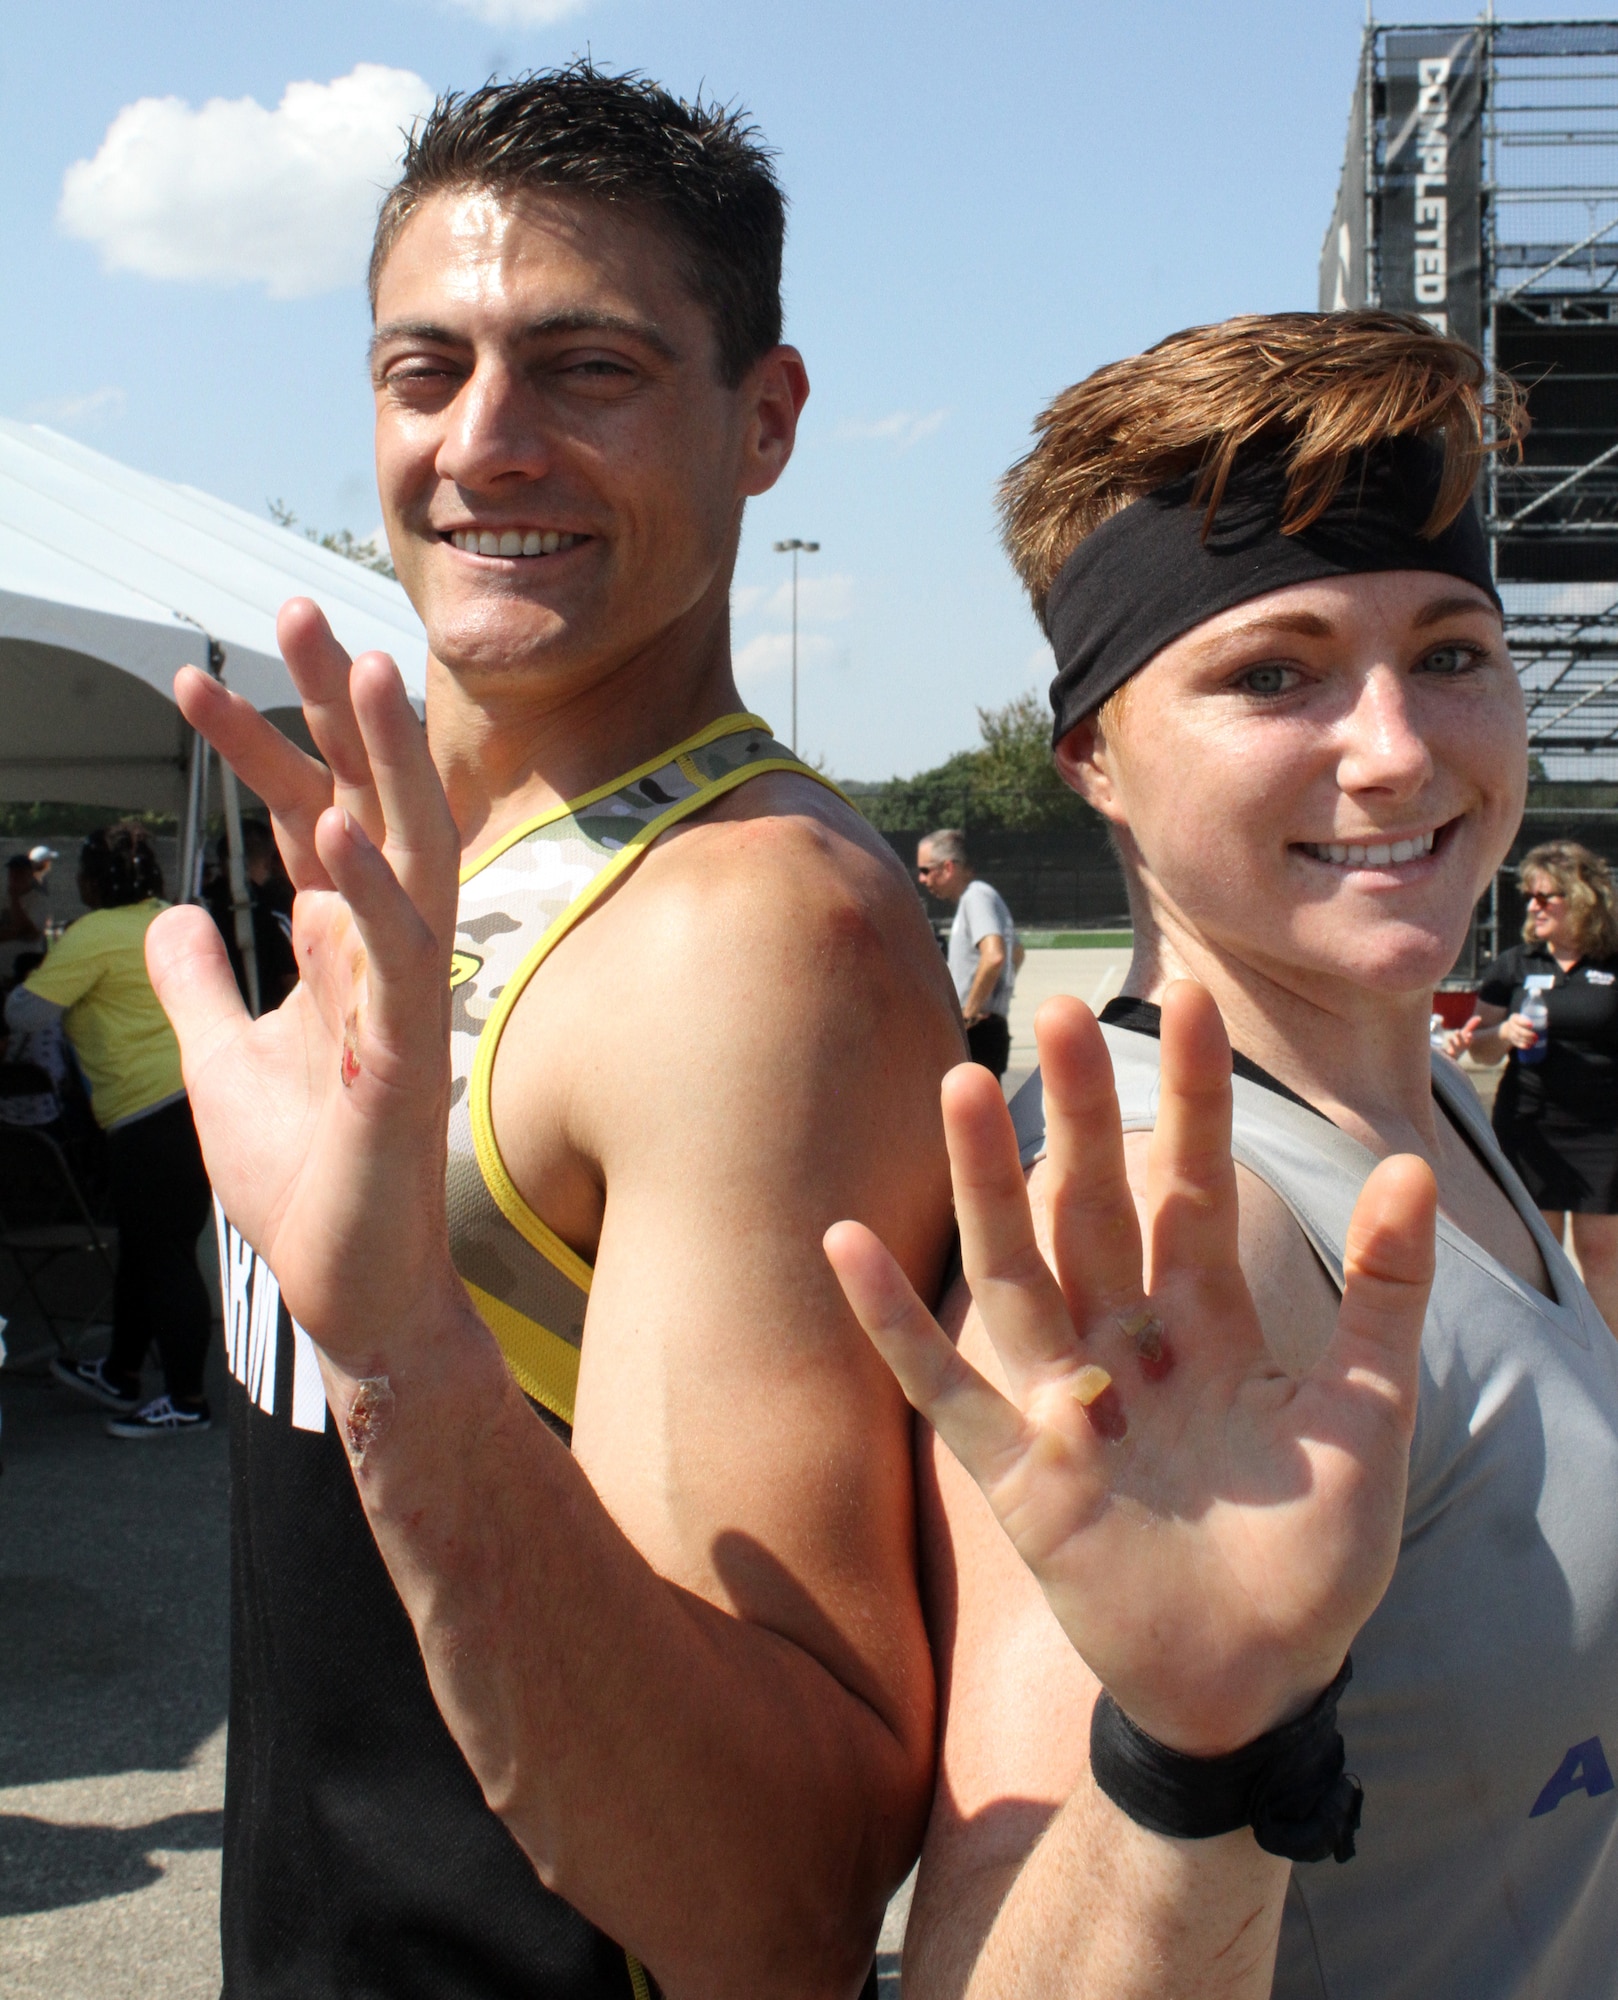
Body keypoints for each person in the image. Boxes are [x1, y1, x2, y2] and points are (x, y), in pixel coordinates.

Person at [146, 66, 959, 2000]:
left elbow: (776, 1903)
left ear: (761, 424)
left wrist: (408, 1350)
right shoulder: (404, 850)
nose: (482, 444)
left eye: (584, 368)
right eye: (425, 372)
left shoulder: (750, 936)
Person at [825, 311, 1618, 1998]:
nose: (1396, 747)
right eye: (1273, 671)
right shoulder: (1197, 1241)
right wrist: (1194, 1757)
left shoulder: (1418, 1102)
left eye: (1450, 651)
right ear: (1093, 758)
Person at [5, 826, 213, 1435]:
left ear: (91, 882)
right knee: (148, 1249)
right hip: (193, 1101)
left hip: (145, 1112)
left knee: (165, 1257)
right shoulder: (171, 918)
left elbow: (24, 1011)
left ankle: (187, 1400)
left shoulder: (92, 933)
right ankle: (121, 1370)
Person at [1448, 841, 1618, 1333]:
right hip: (1531, 1127)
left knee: (1601, 1255)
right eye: (1529, 897)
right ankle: (1554, 1357)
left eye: (1546, 897)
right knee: (1543, 1256)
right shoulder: (1516, 964)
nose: (1533, 906)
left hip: (1603, 1131)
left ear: (1582, 898)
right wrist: (1500, 1035)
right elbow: (1476, 1046)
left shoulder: (1612, 962)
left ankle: (1608, 1370)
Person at [916, 828, 1022, 1075]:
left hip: (978, 1032)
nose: (922, 879)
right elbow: (1017, 952)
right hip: (988, 1029)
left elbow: (994, 955)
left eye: (925, 870)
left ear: (948, 867)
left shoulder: (976, 896)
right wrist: (997, 996)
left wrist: (969, 1015)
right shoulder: (979, 897)